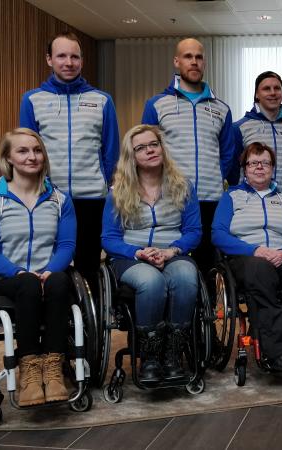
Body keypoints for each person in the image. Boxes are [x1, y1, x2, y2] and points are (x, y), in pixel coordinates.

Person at [0, 128, 76, 406]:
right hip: (6, 279)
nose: (32, 157)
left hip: (49, 275)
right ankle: (29, 371)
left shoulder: (60, 200)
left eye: (37, 150)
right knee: (28, 283)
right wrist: (18, 272)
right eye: (23, 151)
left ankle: (54, 370)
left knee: (58, 281)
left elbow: (66, 245)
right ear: (8, 158)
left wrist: (50, 270)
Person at [19, 31, 119, 296]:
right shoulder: (32, 100)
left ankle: (91, 326)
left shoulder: (102, 100)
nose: (69, 62)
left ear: (82, 61)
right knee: (53, 266)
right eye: (61, 55)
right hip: (49, 198)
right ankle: (60, 324)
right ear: (49, 59)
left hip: (91, 198)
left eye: (75, 56)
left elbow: (111, 153)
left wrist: (104, 182)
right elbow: (27, 152)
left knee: (89, 265)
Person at [101, 125, 202, 384]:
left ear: (162, 147)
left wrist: (171, 250)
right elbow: (109, 239)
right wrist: (138, 252)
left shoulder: (183, 186)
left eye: (153, 144)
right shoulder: (118, 191)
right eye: (141, 148)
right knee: (151, 281)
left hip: (172, 253)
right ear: (131, 157)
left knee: (186, 276)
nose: (149, 151)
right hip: (131, 257)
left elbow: (194, 231)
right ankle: (150, 358)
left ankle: (172, 354)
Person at [212, 142, 282, 372]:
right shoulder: (232, 196)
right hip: (247, 259)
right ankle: (276, 351)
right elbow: (218, 234)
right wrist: (255, 250)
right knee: (260, 269)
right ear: (245, 169)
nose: (259, 167)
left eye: (265, 162)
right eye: (253, 163)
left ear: (272, 167)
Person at [142, 38, 235, 269]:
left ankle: (211, 304)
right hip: (171, 196)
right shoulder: (156, 104)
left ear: (204, 63)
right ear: (177, 61)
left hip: (209, 197)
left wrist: (214, 175)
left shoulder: (221, 108)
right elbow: (147, 151)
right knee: (173, 259)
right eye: (188, 56)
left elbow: (227, 153)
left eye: (199, 57)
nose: (194, 62)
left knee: (207, 262)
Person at [233, 71, 282, 194]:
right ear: (257, 94)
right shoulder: (239, 128)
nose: (273, 92)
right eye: (267, 89)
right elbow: (233, 170)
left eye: (277, 88)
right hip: (250, 202)